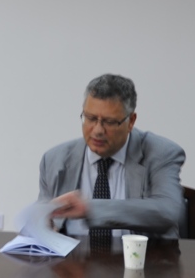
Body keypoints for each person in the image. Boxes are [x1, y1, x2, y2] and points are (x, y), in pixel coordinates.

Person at [39, 74, 185, 238]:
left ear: (131, 121)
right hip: (73, 254)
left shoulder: (160, 153)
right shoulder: (54, 160)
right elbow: (42, 219)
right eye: (91, 118)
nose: (98, 130)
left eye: (109, 122)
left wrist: (90, 209)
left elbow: (168, 211)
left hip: (143, 254)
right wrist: (42, 224)